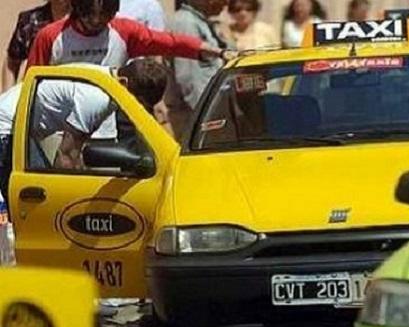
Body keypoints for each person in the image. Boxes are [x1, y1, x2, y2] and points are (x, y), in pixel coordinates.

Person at [0, 60, 168, 200]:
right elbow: (66, 155)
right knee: (36, 197)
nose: (137, 109)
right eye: (138, 102)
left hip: (21, 128)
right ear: (124, 83)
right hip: (7, 127)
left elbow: (75, 152)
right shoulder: (97, 98)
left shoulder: (105, 79)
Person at [26, 0, 235, 69]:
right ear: (77, 9)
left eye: (104, 17)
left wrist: (219, 52)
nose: (96, 22)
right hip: (59, 126)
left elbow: (172, 43)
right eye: (89, 17)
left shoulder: (125, 32)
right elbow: (31, 82)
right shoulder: (49, 37)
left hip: (110, 124)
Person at [165, 0, 230, 139]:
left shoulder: (202, 22)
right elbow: (187, 77)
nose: (226, 3)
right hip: (195, 117)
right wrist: (205, 115)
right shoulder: (186, 23)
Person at [5, 0, 71, 84]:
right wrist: (9, 91)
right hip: (39, 88)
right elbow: (11, 63)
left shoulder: (83, 23)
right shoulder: (30, 22)